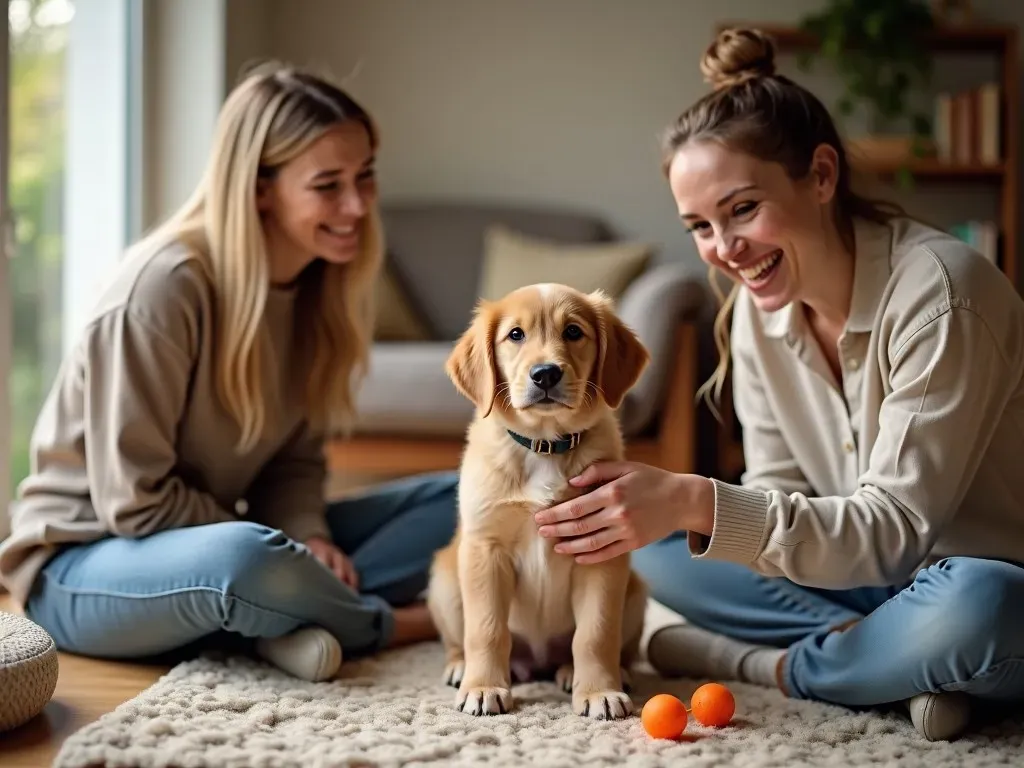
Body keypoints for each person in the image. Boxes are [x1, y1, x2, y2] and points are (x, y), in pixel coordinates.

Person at [532, 28, 1024, 742]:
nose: (725, 251)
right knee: (659, 551)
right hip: (861, 580)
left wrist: (692, 496)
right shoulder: (755, 318)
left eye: (743, 210)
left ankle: (778, 666)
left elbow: (892, 532)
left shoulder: (944, 291)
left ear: (822, 176)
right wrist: (687, 515)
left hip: (975, 576)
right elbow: (781, 503)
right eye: (700, 226)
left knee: (981, 608)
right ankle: (902, 666)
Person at [0, 63, 459, 683]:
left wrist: (306, 533)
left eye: (365, 176)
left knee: (468, 498)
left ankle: (278, 622)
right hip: (81, 565)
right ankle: (401, 621)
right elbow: (135, 504)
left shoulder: (315, 288)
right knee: (248, 560)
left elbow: (294, 460)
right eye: (328, 185)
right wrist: (284, 548)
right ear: (261, 187)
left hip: (217, 537)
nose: (357, 205)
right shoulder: (161, 289)